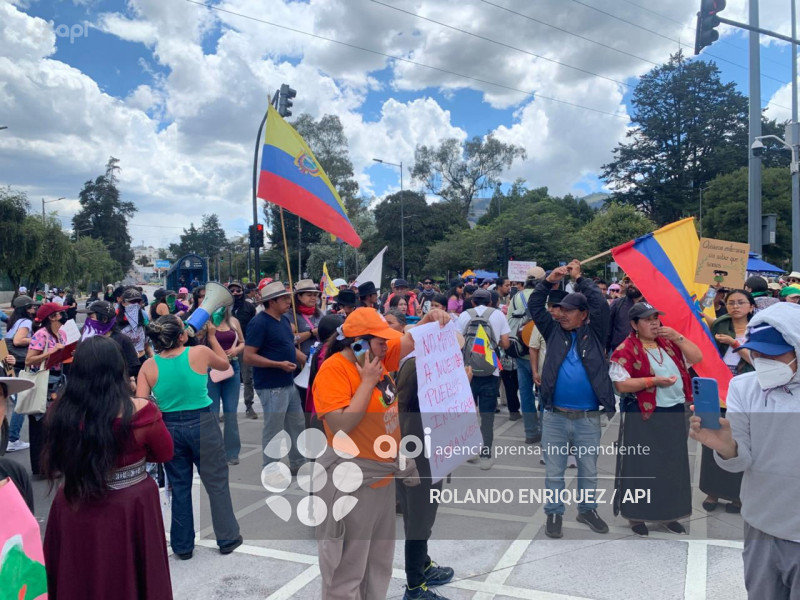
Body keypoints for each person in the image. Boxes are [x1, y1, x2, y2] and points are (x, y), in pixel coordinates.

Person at [311, 307, 449, 600]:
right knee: (347, 566)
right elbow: (341, 425)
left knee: (378, 561)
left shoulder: (375, 358)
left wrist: (429, 319)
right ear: (358, 343)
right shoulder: (335, 370)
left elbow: (410, 340)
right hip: (353, 480)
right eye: (380, 341)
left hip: (382, 478)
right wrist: (367, 383)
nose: (387, 346)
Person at [42, 336, 174, 599]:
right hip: (132, 504)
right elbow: (164, 453)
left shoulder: (62, 412)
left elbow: (55, 460)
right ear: (119, 368)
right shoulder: (142, 411)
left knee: (79, 574)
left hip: (75, 500)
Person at [690, 303, 800, 600]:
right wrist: (726, 448)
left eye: (774, 354)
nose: (764, 361)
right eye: (758, 353)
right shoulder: (744, 387)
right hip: (761, 523)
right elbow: (740, 461)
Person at [137, 315, 242, 559]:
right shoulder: (199, 352)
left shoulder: (148, 366)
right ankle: (227, 538)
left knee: (179, 485)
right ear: (182, 336)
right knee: (216, 482)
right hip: (203, 422)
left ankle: (183, 546)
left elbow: (142, 404)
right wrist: (213, 337)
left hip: (169, 426)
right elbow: (224, 364)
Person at [529, 260, 616, 539]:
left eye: (568, 311)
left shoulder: (596, 333)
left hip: (587, 418)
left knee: (588, 471)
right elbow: (535, 305)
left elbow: (600, 304)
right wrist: (549, 280)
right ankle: (554, 513)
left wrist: (579, 279)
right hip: (555, 416)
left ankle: (587, 510)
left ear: (583, 314)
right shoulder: (552, 330)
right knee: (554, 471)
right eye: (560, 310)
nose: (561, 314)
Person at [609, 303, 701, 536]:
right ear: (634, 324)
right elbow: (621, 385)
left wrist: (678, 337)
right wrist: (653, 381)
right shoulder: (626, 349)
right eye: (647, 320)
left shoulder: (669, 344)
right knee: (642, 465)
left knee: (672, 465)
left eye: (656, 319)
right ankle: (636, 515)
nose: (654, 323)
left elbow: (697, 356)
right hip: (644, 413)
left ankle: (669, 514)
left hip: (674, 411)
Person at [396, 344, 458, 600]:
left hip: (417, 456)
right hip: (420, 461)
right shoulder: (421, 375)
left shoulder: (413, 371)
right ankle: (415, 586)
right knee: (419, 522)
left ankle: (423, 564)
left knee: (416, 518)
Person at [243, 282, 307, 481]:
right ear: (271, 302)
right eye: (285, 298)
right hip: (271, 385)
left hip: (288, 381)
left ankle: (298, 462)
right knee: (274, 429)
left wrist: (306, 360)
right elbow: (248, 356)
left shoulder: (284, 320)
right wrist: (277, 364)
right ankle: (271, 469)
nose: (289, 301)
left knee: (296, 424)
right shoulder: (259, 323)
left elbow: (288, 345)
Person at [457, 288, 510, 469]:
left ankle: (471, 450)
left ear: (472, 301)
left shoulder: (464, 315)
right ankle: (486, 455)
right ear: (491, 302)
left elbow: (457, 343)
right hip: (491, 371)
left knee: (469, 413)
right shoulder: (498, 315)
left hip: (468, 371)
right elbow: (506, 343)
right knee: (487, 416)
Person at [25, 302, 69, 477]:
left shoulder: (62, 333)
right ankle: (42, 467)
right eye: (60, 313)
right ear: (51, 317)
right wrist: (51, 352)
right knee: (41, 426)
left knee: (57, 424)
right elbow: (29, 360)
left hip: (58, 382)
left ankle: (55, 463)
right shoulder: (41, 334)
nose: (63, 316)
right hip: (43, 382)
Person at [508, 266, 546, 445]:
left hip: (521, 352)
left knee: (525, 393)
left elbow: (509, 323)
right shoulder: (545, 297)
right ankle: (546, 432)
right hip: (542, 354)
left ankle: (530, 432)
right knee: (545, 394)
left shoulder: (516, 297)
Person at [206, 305, 245, 465]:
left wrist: (237, 350)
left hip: (232, 367)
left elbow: (242, 342)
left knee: (231, 412)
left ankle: (232, 453)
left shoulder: (233, 321)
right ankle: (215, 452)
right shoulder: (207, 322)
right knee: (213, 413)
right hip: (211, 368)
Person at [3, 295, 40, 452]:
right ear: (25, 309)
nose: (34, 308)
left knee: (18, 400)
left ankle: (10, 438)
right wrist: (36, 339)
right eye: (31, 307)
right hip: (20, 363)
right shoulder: (26, 322)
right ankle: (13, 438)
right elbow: (18, 341)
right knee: (21, 402)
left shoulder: (14, 322)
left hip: (12, 363)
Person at [80, 300, 140, 381]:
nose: (88, 321)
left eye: (91, 318)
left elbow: (134, 367)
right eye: (87, 318)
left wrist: (111, 375)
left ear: (104, 319)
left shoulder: (123, 340)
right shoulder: (85, 338)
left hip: (115, 386)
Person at [227, 281, 258, 420]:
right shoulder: (222, 308)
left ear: (242, 291)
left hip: (245, 346)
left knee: (247, 378)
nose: (235, 293)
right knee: (226, 378)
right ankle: (228, 410)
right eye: (231, 290)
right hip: (226, 347)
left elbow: (255, 326)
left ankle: (249, 406)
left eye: (237, 290)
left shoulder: (249, 307)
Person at [116, 287, 152, 370]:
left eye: (138, 302)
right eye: (132, 302)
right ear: (123, 303)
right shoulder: (115, 322)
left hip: (141, 362)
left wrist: (154, 359)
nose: (135, 305)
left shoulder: (143, 320)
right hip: (123, 364)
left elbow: (146, 346)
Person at [607, 275, 645, 352]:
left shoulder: (650, 305)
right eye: (628, 282)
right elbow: (607, 327)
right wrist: (605, 348)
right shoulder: (617, 303)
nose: (630, 284)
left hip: (644, 351)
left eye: (633, 281)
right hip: (619, 351)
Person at [289, 279, 323, 357]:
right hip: (300, 361)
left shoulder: (320, 313)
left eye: (315, 295)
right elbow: (290, 340)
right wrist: (311, 333)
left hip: (318, 359)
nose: (313, 298)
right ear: (299, 296)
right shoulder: (291, 314)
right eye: (309, 295)